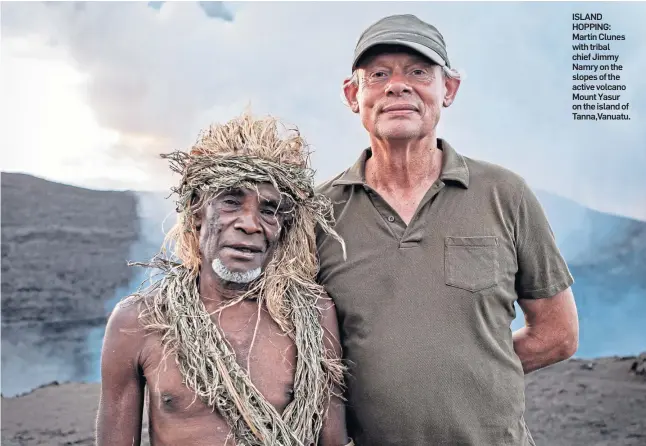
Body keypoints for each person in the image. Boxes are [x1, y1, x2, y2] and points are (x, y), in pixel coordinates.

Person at [315, 14, 579, 446]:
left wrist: (478, 370)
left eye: (418, 72)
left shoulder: (504, 194)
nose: (397, 86)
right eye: (378, 74)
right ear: (353, 94)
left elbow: (558, 334)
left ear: (449, 89)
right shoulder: (320, 213)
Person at [96, 113, 352, 446]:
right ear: (197, 210)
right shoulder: (138, 321)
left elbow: (331, 439)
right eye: (231, 201)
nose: (250, 223)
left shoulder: (313, 315)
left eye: (268, 209)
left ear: (282, 226)